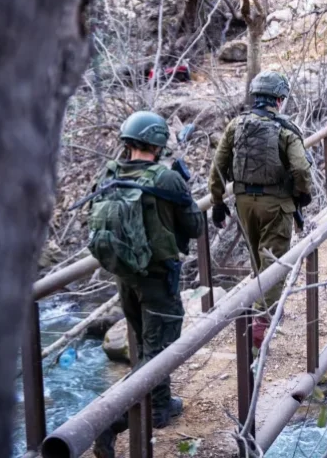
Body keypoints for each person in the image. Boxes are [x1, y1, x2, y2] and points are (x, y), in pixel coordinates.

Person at [87, 111, 204, 458]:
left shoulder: (110, 173)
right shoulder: (165, 179)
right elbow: (194, 226)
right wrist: (185, 190)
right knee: (158, 354)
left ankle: (159, 407)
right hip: (158, 279)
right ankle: (109, 422)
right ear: (157, 143)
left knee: (147, 345)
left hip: (125, 276)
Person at [208, 71, 313, 352]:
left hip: (243, 202)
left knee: (257, 257)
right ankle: (262, 326)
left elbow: (218, 166)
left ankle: (261, 311)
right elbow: (301, 168)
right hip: (276, 203)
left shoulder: (236, 125)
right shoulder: (286, 129)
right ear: (279, 99)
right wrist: (303, 195)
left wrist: (218, 202)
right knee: (274, 262)